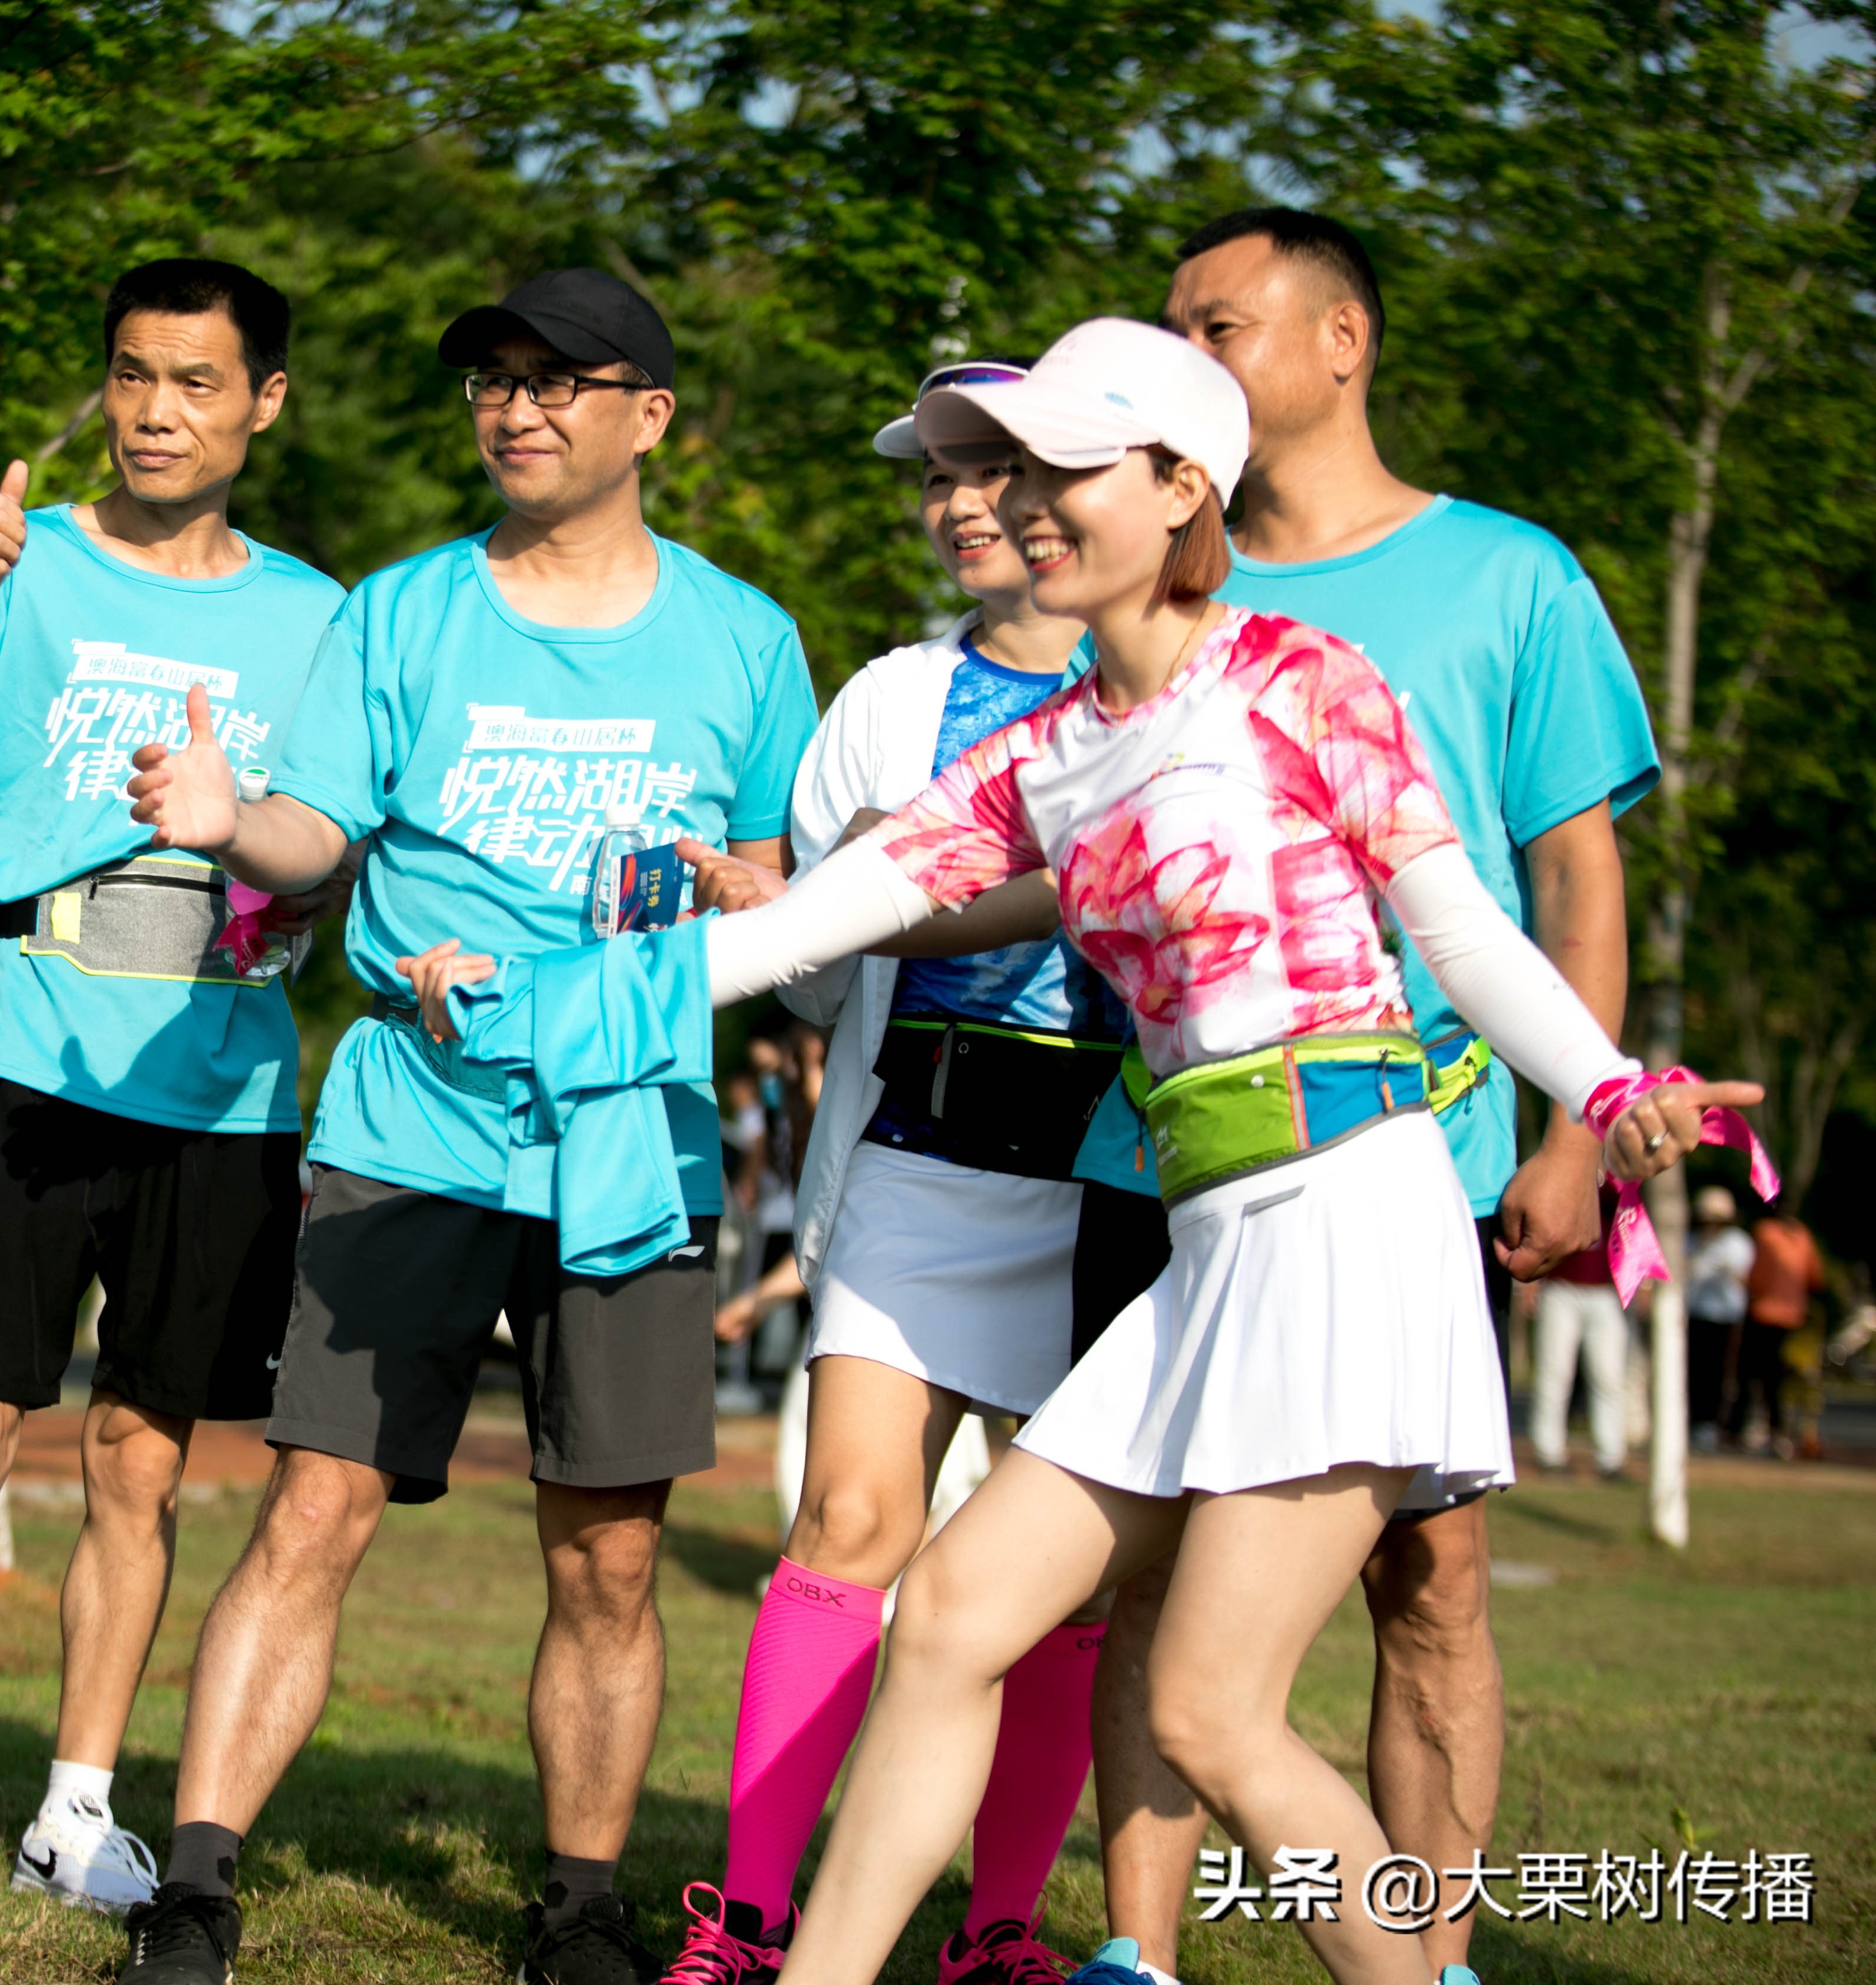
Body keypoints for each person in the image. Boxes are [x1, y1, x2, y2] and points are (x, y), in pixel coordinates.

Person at [489, 313, 1752, 1985]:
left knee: (1214, 1714)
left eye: (1061, 468)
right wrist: (566, 1000)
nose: (1016, 502)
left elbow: (1462, 931)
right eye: (1005, 471)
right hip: (1210, 1239)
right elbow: (830, 915)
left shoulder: (1302, 679)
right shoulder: (1045, 756)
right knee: (944, 1620)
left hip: (1349, 1218)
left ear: (1179, 485)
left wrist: (1602, 1090)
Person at [114, 266, 820, 1985]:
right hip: (408, 1126)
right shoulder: (409, 610)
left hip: (628, 1149)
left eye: (559, 379)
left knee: (611, 1552)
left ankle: (580, 1904)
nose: (516, 406)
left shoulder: (746, 639)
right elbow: (316, 833)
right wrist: (230, 819)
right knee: (315, 1504)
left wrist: (750, 884)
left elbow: (797, 882)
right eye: (494, 378)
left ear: (650, 414)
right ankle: (197, 1886)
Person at [1063, 208, 1659, 1985]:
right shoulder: (1159, 587)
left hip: (1426, 1163)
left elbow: (1573, 884)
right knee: (1148, 1577)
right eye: (1167, 329)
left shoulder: (1512, 579)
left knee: (1436, 1587)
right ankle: (1133, 1957)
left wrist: (1576, 1132)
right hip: (1162, 1153)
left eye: (1218, 324)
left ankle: (1430, 1956)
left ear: (1341, 343)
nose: (1184, 357)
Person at [0, 259, 345, 1928]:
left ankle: (75, 1811)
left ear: (264, 401)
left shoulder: (321, 619)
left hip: (226, 1071)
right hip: (31, 1044)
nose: (155, 412)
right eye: (130, 375)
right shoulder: (14, 563)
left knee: (143, 1461)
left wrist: (238, 816)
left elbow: (330, 855)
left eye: (195, 381)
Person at [659, 363, 1130, 1985]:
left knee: (1063, 1571)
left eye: (996, 470)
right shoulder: (885, 696)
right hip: (921, 1156)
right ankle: (752, 1919)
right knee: (845, 1521)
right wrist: (768, 895)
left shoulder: (1167, 688)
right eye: (939, 477)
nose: (962, 504)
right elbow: (806, 983)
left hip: (1113, 1174)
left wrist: (890, 874)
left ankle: (998, 1933)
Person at [1529, 1223, 1629, 1476]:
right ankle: (1549, 1452)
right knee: (1555, 1375)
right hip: (1561, 1288)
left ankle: (1611, 1457)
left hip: (1606, 1292)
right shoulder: (1560, 1182)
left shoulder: (1617, 1186)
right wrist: (1530, 1284)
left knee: (1609, 1377)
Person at [1734, 1211, 1825, 1455]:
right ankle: (1778, 1431)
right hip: (1793, 1316)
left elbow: (1758, 1277)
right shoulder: (1802, 1236)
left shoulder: (1766, 1232)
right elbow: (1815, 1276)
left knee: (1753, 1374)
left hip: (1765, 1312)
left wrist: (1749, 1286)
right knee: (1778, 1377)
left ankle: (1754, 1428)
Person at [1687, 1185, 1753, 1448]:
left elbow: (1743, 1279)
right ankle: (1693, 1418)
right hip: (1695, 1313)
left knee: (1719, 1373)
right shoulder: (1691, 1240)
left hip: (1726, 1317)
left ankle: (1713, 1423)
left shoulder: (1737, 1243)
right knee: (1694, 1370)